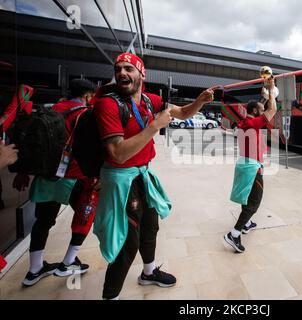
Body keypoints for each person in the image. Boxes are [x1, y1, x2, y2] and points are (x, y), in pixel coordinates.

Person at [94, 53, 215, 300]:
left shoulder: (150, 100)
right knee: (127, 243)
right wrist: (154, 127)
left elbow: (180, 113)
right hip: (120, 180)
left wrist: (199, 102)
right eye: (118, 69)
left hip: (142, 176)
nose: (122, 74)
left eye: (128, 68)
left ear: (142, 74)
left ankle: (148, 273)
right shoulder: (107, 104)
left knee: (150, 227)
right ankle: (110, 296)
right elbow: (116, 153)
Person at [16, 78, 99, 287]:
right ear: (88, 95)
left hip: (47, 175)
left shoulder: (50, 110)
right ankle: (69, 262)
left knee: (43, 221)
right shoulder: (84, 114)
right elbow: (90, 149)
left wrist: (24, 171)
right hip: (74, 176)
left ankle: (35, 269)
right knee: (85, 216)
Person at [225, 78, 277, 253]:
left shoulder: (244, 122)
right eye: (260, 110)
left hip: (243, 163)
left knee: (246, 197)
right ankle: (234, 233)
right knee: (255, 202)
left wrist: (264, 96)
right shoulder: (254, 123)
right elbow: (273, 109)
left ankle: (246, 223)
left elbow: (261, 107)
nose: (264, 112)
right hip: (252, 167)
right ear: (255, 111)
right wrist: (271, 90)